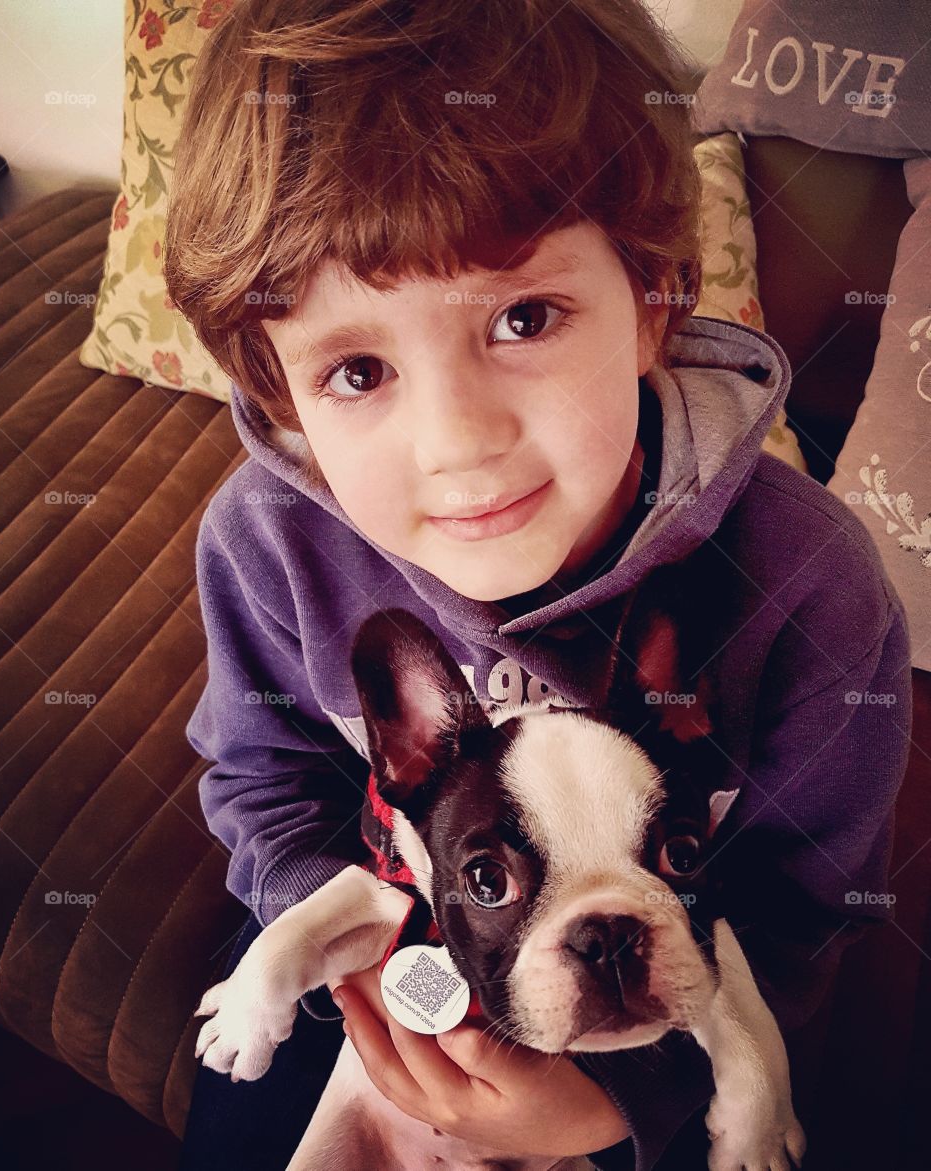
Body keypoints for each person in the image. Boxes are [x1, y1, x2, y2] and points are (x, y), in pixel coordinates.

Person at [164, 2, 913, 1169]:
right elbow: (263, 777)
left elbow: (805, 908)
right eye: (357, 368)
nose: (457, 440)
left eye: (523, 316)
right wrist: (363, 947)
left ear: (654, 298)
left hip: (672, 1025)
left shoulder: (807, 581)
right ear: (278, 395)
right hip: (372, 959)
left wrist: (627, 1104)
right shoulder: (269, 543)